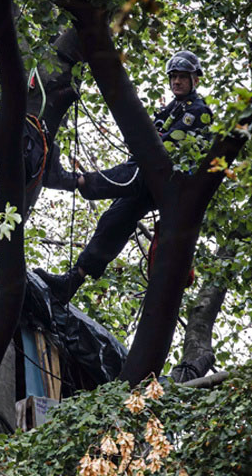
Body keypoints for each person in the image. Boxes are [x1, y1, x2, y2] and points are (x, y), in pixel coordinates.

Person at [37, 51, 213, 303]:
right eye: (173, 77)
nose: (176, 82)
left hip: (166, 177)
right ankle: (73, 280)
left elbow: (166, 145)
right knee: (114, 220)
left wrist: (146, 140)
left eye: (182, 77)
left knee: (124, 176)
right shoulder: (170, 108)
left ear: (195, 79)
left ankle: (70, 180)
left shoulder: (197, 110)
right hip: (148, 179)